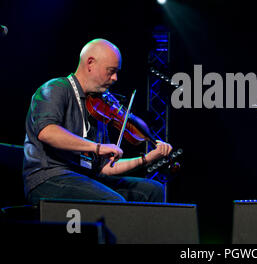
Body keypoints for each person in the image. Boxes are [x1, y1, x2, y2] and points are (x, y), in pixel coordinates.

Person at [23, 38, 173, 205]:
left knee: (153, 190)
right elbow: (47, 132)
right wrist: (97, 147)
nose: (115, 78)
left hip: (87, 178)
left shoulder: (99, 106)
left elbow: (105, 168)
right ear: (90, 63)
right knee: (112, 201)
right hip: (51, 176)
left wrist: (147, 158)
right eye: (111, 71)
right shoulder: (56, 88)